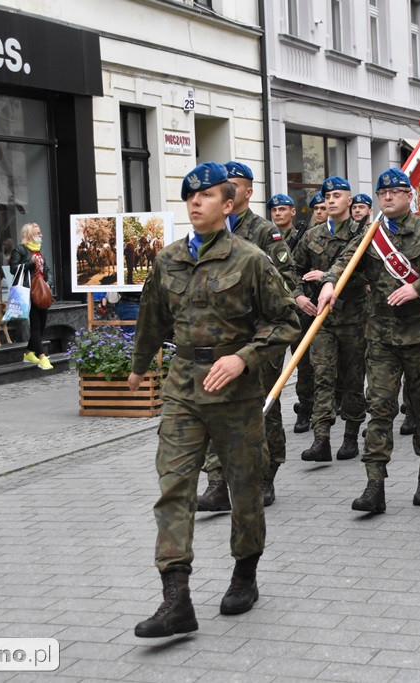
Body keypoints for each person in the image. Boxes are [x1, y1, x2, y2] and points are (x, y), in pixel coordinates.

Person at [130, 162, 300, 635]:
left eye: (205, 196)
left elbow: (286, 321)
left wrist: (244, 357)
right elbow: (151, 318)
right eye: (189, 196)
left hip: (235, 393)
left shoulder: (249, 259)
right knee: (173, 487)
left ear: (228, 205)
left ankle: (245, 575)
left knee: (245, 489)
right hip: (183, 388)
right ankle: (175, 598)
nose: (194, 202)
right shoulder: (167, 260)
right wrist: (138, 367)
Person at [316, 168, 420, 514]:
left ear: (410, 196)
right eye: (382, 192)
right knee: (380, 410)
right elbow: (344, 262)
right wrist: (329, 282)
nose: (387, 197)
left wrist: (419, 286)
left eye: (396, 191)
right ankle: (375, 485)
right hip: (382, 338)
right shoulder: (371, 235)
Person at [195, 162, 297, 512]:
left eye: (232, 186)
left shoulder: (265, 232)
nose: (225, 191)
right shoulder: (207, 232)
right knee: (214, 407)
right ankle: (217, 482)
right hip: (218, 337)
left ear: (247, 192)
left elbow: (287, 282)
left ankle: (265, 476)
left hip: (258, 338)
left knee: (261, 408)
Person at [292, 176, 368, 462]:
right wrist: (299, 296)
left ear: (350, 200)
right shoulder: (312, 235)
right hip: (321, 320)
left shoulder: (363, 235)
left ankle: (350, 435)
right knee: (322, 376)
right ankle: (321, 438)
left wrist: (327, 277)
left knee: (352, 378)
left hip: (355, 318)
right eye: (328, 196)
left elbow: (366, 272)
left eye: (338, 195)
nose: (332, 200)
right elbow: (292, 269)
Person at [9, 222, 53, 370]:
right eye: (37, 233)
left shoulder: (40, 251)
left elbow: (47, 269)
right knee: (35, 325)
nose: (41, 235)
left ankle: (28, 352)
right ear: (29, 235)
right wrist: (30, 263)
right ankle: (41, 356)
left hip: (42, 292)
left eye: (40, 232)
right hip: (29, 291)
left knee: (42, 325)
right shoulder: (20, 250)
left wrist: (49, 283)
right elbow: (13, 269)